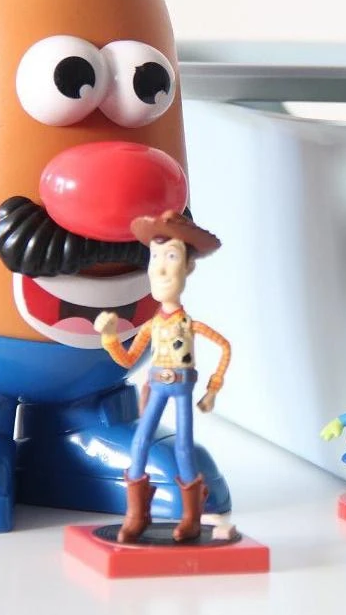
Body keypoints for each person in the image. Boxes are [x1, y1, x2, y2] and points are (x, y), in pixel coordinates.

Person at [95, 210, 231, 543]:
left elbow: (225, 347)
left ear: (188, 267)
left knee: (183, 448)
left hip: (182, 387)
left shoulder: (190, 325)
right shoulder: (153, 326)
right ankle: (137, 515)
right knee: (140, 442)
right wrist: (110, 338)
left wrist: (213, 389)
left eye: (171, 257)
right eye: (155, 257)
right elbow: (127, 359)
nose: (160, 268)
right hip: (156, 384)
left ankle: (191, 518)